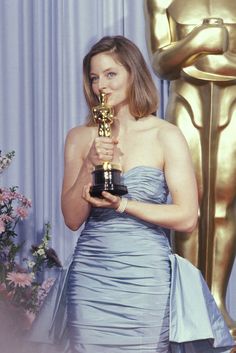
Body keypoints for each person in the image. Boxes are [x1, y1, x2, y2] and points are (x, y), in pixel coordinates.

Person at [60, 36, 234, 353]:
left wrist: (124, 204)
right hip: (91, 276)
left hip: (146, 277)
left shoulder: (165, 134)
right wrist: (90, 162)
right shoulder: (79, 137)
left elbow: (186, 217)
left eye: (111, 74)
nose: (101, 85)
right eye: (94, 77)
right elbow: (72, 219)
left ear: (133, 73)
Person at [144, 0, 236, 337]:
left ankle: (217, 301)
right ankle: (189, 304)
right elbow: (161, 62)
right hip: (187, 99)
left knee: (225, 205)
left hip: (233, 103)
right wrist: (199, 42)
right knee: (188, 203)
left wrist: (204, 59)